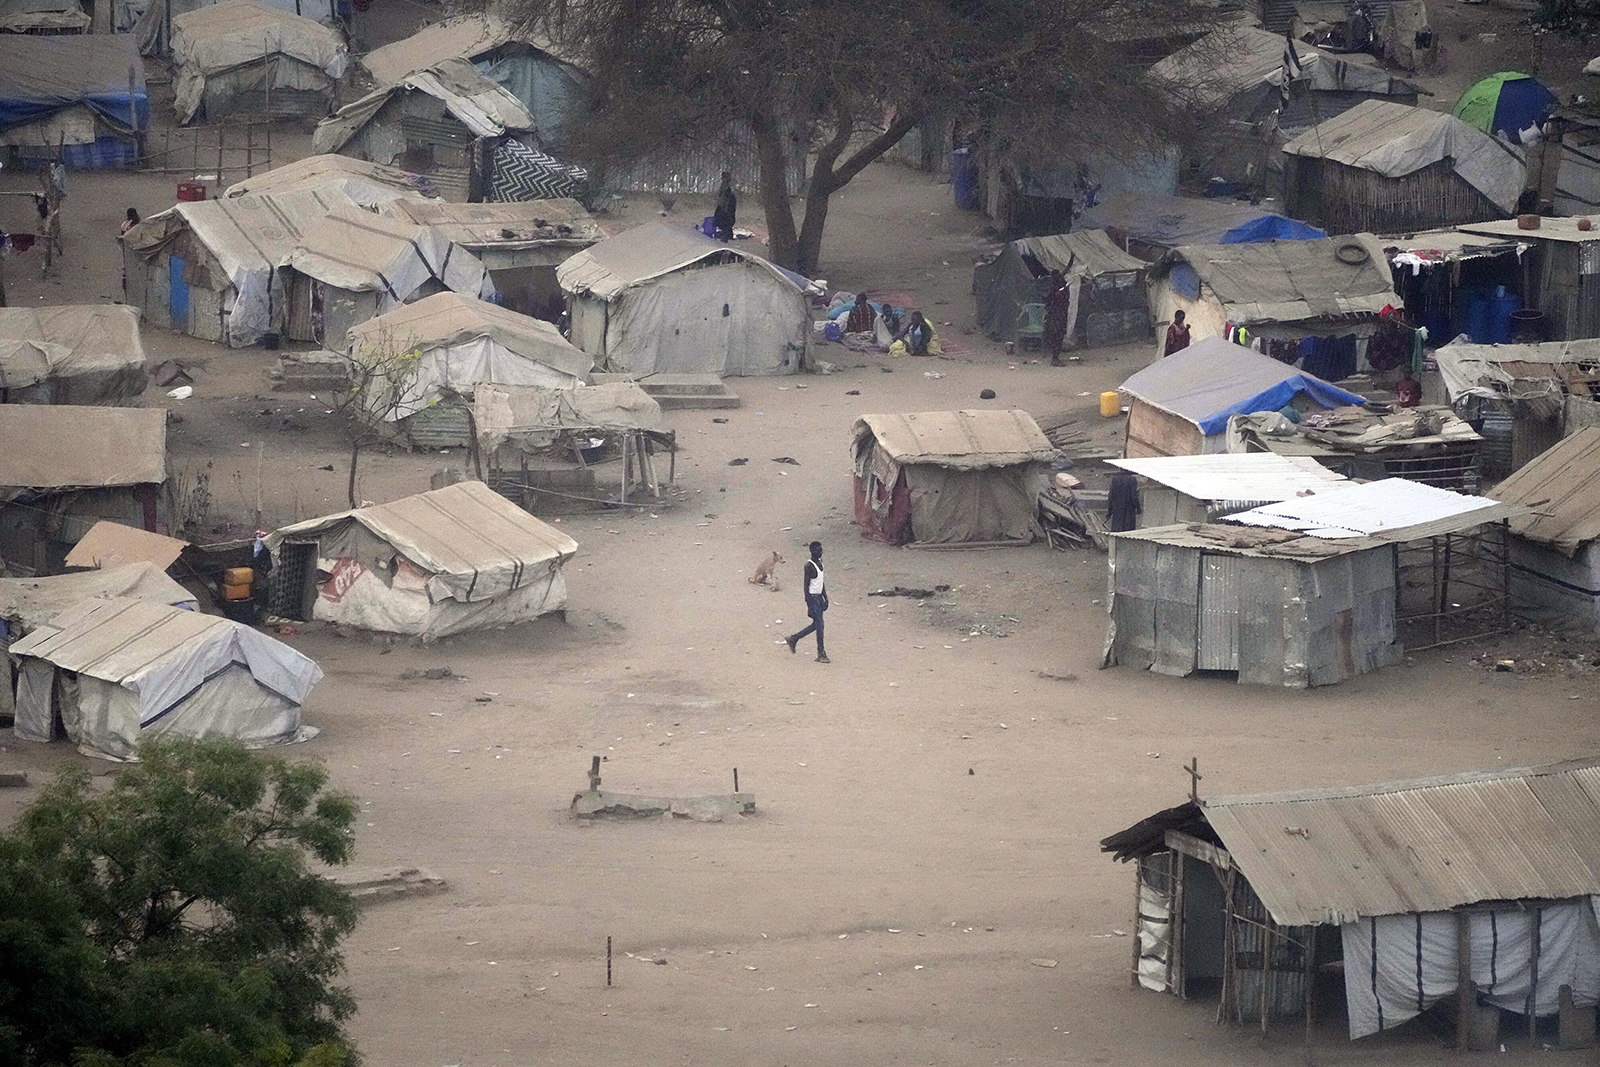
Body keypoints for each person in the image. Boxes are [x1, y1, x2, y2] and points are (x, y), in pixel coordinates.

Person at [785, 541, 829, 663]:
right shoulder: (808, 566)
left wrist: (825, 597)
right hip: (813, 598)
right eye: (818, 551)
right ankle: (821, 653)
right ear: (812, 552)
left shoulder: (820, 563)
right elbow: (806, 586)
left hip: (819, 597)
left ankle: (794, 638)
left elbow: (821, 581)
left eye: (821, 550)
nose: (820, 553)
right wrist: (809, 604)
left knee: (817, 625)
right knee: (819, 626)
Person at [1043, 269, 1072, 366]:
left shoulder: (1059, 285)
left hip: (1060, 315)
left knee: (1059, 335)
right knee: (1056, 336)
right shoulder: (1055, 288)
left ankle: (1055, 357)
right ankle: (1055, 358)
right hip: (1056, 316)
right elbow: (1050, 300)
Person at [713, 170, 736, 242]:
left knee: (726, 221)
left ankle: (726, 236)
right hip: (726, 207)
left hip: (728, 206)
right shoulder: (724, 186)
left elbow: (725, 198)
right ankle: (727, 235)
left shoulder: (729, 187)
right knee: (726, 222)